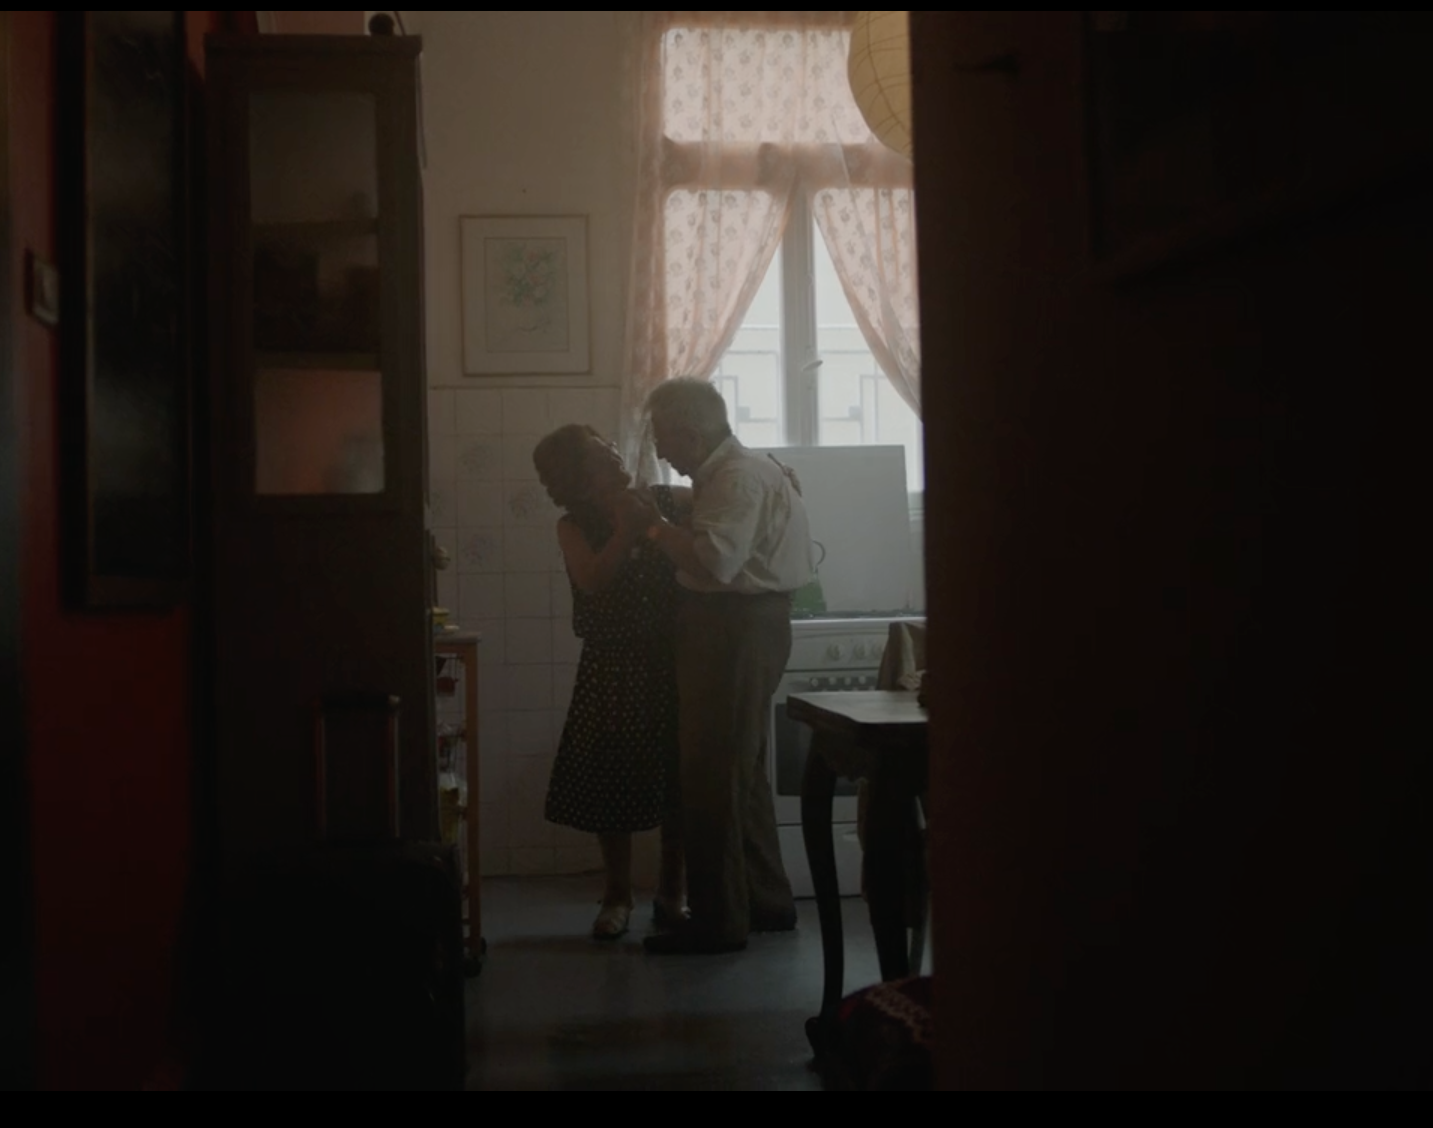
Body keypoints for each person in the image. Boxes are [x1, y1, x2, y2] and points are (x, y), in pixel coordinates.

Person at [637, 377, 815, 954]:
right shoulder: (740, 472)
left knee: (712, 775)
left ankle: (718, 922)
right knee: (743, 771)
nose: (660, 449)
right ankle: (767, 903)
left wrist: (653, 529)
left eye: (663, 437)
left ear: (691, 434)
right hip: (746, 625)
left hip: (733, 629)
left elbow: (713, 562)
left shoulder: (736, 479)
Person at [532, 424, 688, 940]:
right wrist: (627, 531)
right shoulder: (573, 525)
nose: (617, 456)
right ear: (578, 476)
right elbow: (593, 581)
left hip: (670, 658)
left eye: (612, 447)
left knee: (677, 780)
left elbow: (721, 499)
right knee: (610, 780)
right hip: (610, 663)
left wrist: (779, 479)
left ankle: (673, 893)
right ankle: (617, 895)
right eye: (602, 455)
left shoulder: (664, 498)